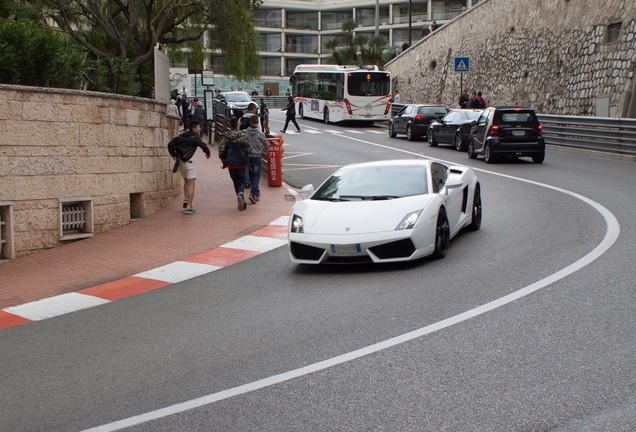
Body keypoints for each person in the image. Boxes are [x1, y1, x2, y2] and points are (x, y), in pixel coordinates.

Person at [167, 120, 211, 214]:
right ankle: (189, 206)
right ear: (193, 128)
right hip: (190, 161)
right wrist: (207, 152)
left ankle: (186, 198)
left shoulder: (181, 136)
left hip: (181, 162)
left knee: (186, 181)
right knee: (191, 183)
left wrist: (174, 154)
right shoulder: (195, 138)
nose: (199, 129)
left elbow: (170, 144)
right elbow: (203, 146)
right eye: (198, 127)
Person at [218, 117, 250, 211]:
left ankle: (239, 195)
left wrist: (222, 157)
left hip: (230, 161)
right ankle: (241, 194)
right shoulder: (243, 135)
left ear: (229, 125)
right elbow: (249, 148)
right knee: (241, 180)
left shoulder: (225, 135)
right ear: (237, 125)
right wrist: (247, 155)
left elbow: (221, 148)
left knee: (235, 180)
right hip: (241, 161)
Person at [245, 115, 269, 204]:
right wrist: (262, 148)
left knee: (251, 175)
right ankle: (253, 193)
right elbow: (266, 144)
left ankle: (256, 192)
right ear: (258, 122)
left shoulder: (246, 132)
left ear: (250, 122)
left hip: (248, 157)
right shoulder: (260, 133)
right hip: (257, 157)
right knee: (256, 176)